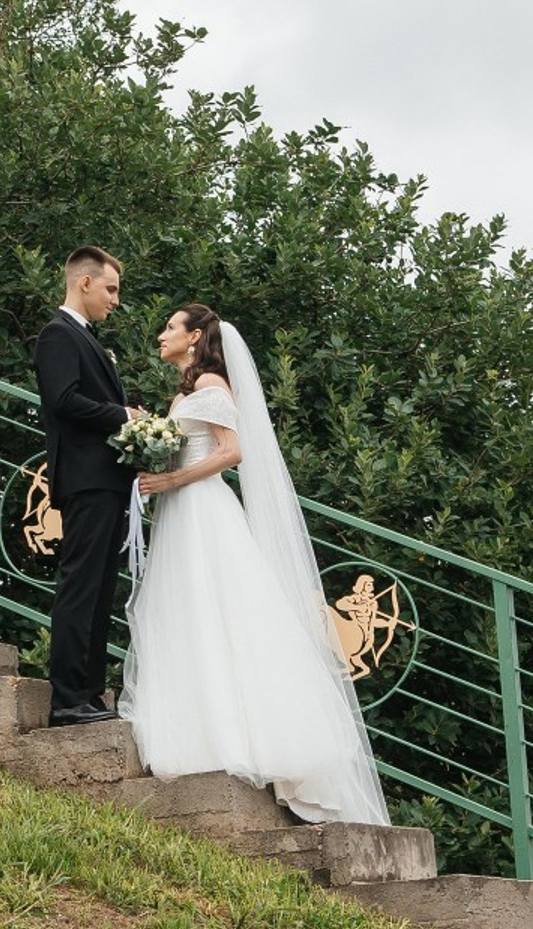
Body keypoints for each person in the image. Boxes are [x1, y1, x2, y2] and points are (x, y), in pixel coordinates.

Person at [119, 303, 390, 825]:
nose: (161, 334)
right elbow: (183, 441)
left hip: (203, 511)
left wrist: (171, 480)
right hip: (181, 514)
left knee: (216, 609)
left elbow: (230, 451)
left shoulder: (213, 386)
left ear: (195, 337)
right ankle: (198, 729)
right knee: (187, 615)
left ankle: (238, 739)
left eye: (170, 327)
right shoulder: (185, 393)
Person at [33, 246, 142, 727]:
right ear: (85, 283)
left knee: (99, 591)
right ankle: (67, 698)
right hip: (84, 479)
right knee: (81, 586)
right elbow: (63, 400)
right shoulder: (58, 336)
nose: (115, 300)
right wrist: (125, 416)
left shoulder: (88, 339)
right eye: (111, 289)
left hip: (106, 481)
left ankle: (90, 693)